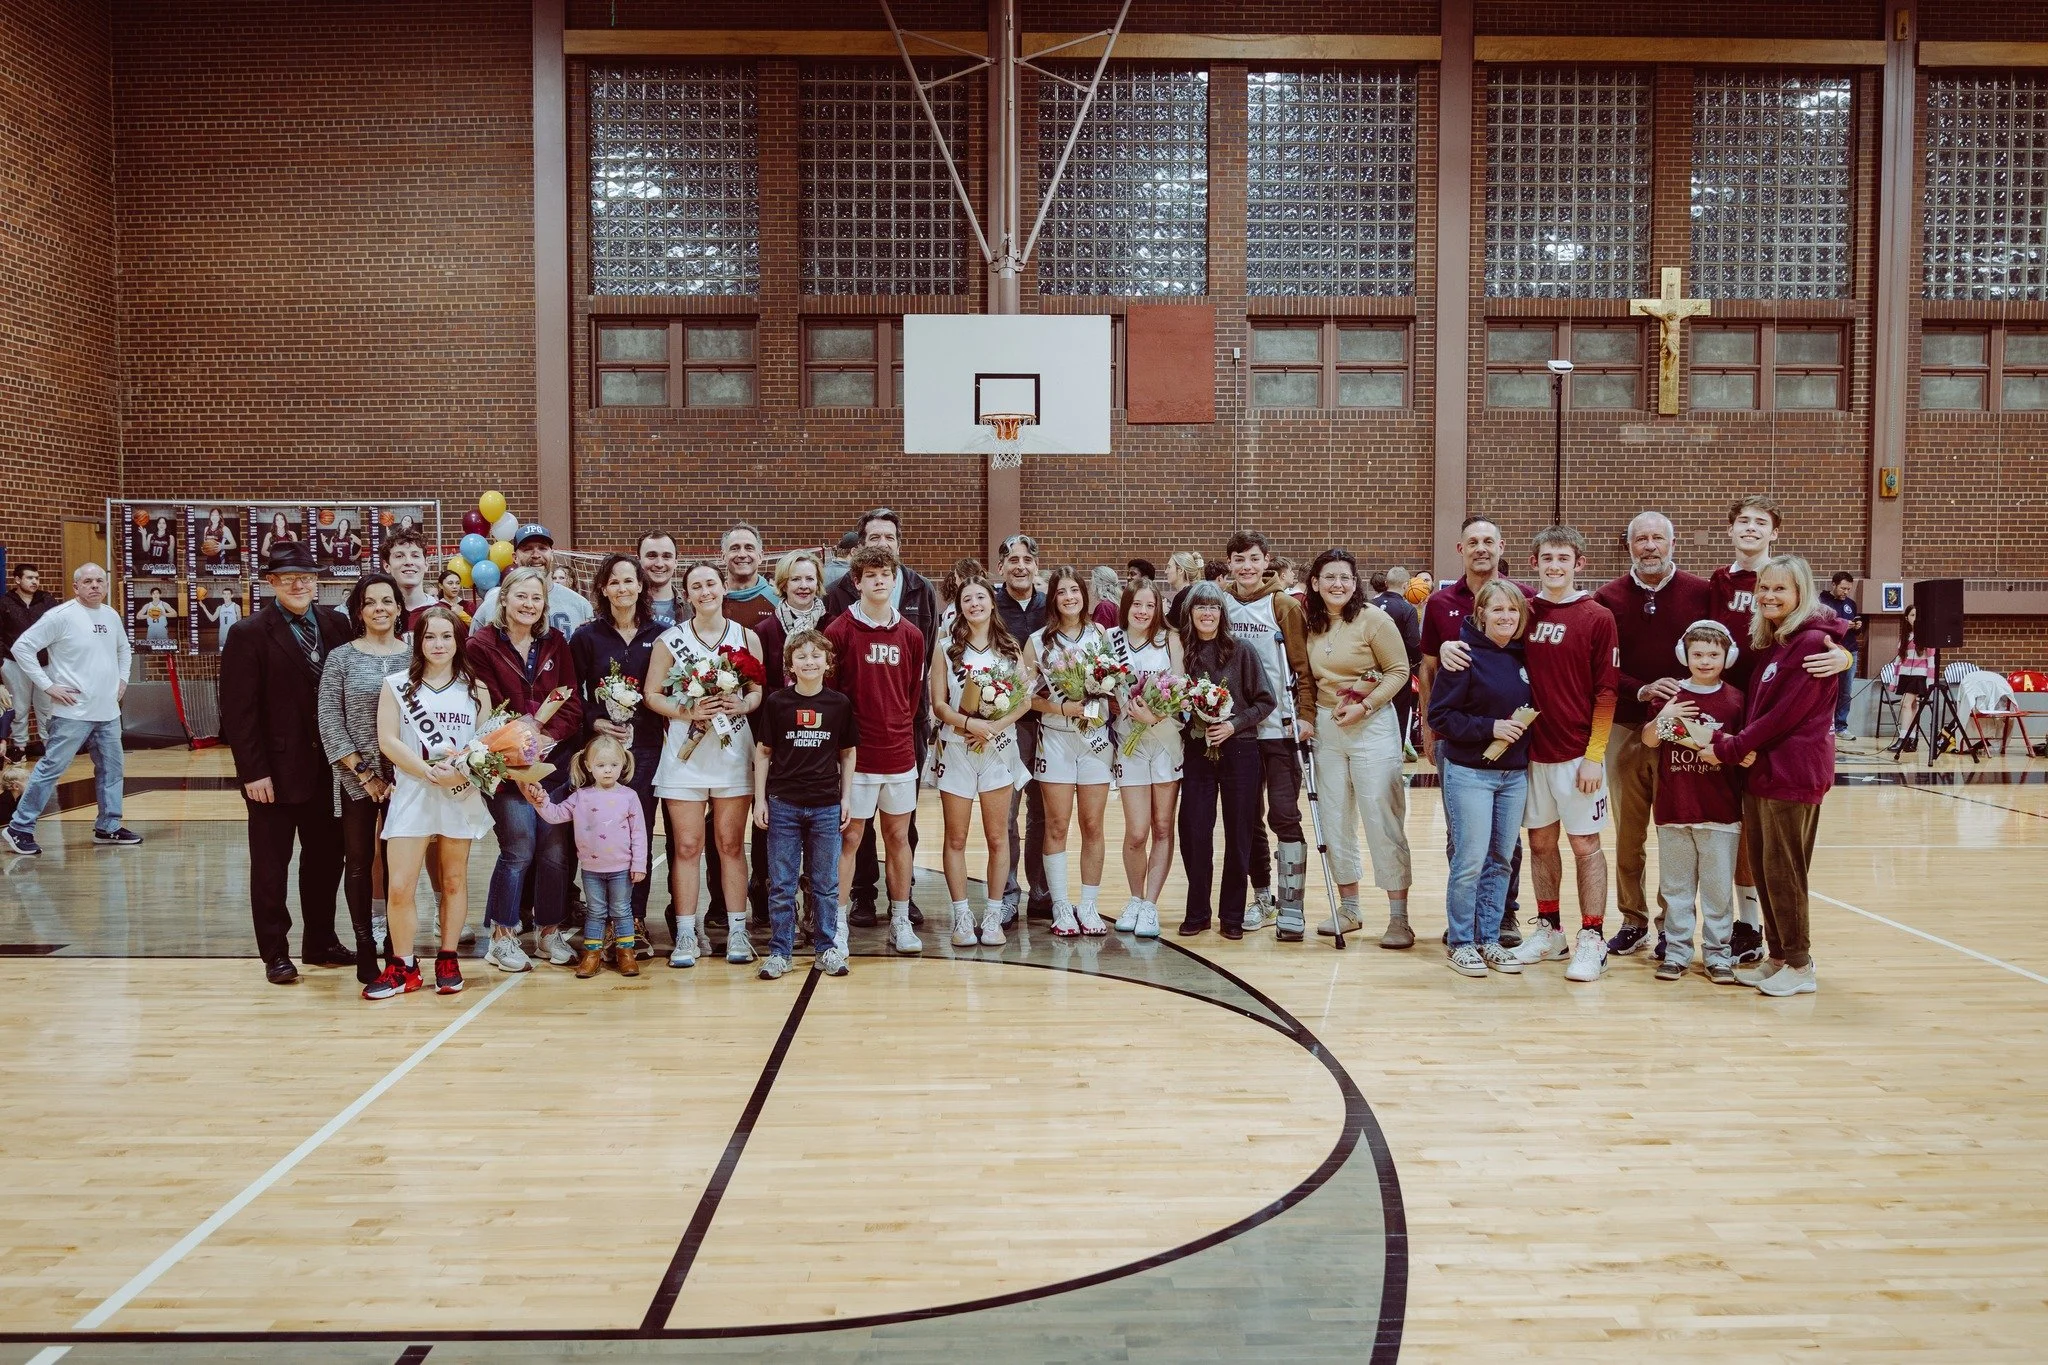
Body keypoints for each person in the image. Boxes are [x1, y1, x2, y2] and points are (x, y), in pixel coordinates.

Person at [1709, 496, 1852, 956]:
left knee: (1784, 869)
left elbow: (1786, 714)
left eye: (1780, 591)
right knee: (1770, 865)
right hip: (1760, 759)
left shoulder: (1810, 640)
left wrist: (1845, 653)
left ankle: (1796, 960)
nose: (1769, 596)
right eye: (1764, 591)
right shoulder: (1774, 639)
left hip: (1784, 764)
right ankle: (1779, 955)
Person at [218, 543, 354, 982]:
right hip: (272, 773)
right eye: (289, 577)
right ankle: (275, 951)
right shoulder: (249, 632)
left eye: (307, 576)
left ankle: (320, 940)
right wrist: (253, 771)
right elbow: (238, 712)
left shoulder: (337, 624)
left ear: (317, 582)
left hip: (328, 770)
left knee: (326, 861)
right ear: (271, 583)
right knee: (271, 867)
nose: (300, 583)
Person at [1592, 511, 1714, 960]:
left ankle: (1673, 925)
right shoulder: (1606, 598)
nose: (1649, 546)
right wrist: (1640, 688)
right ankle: (1633, 920)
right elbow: (1600, 667)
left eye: (1657, 538)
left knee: (1676, 830)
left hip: (1685, 729)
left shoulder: (1702, 593)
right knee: (1628, 832)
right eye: (1640, 539)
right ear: (1628, 546)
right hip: (1625, 726)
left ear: (1672, 542)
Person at [360, 606, 496, 1000]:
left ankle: (448, 957)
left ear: (458, 641)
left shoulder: (476, 689)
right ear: (418, 641)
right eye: (430, 637)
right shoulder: (397, 684)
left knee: (453, 880)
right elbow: (388, 740)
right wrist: (424, 770)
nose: (438, 644)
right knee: (399, 885)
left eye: (446, 636)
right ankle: (403, 966)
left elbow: (483, 745)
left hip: (458, 793)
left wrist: (460, 772)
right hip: (413, 792)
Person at [822, 509, 939, 928]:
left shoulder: (911, 633)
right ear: (856, 581)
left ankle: (901, 918)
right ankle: (836, 923)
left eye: (884, 574)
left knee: (898, 836)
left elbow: (912, 696)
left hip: (899, 754)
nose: (877, 581)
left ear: (894, 579)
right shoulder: (838, 630)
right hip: (856, 755)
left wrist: (901, 732)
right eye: (869, 575)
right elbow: (830, 696)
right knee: (850, 837)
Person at [1417, 515, 1529, 947]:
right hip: (1461, 751)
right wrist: (1429, 729)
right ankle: (1462, 932)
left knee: (1504, 849)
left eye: (1489, 541)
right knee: (1465, 845)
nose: (1482, 548)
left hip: (1513, 761)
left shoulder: (1525, 600)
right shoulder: (1442, 604)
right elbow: (1428, 669)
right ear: (1460, 549)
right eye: (1473, 542)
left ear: (1501, 546)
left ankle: (1500, 921)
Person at [648, 560, 764, 967]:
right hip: (686, 754)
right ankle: (685, 934)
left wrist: (742, 703)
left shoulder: (747, 637)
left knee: (730, 845)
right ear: (687, 594)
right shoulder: (670, 640)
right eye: (696, 586)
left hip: (732, 751)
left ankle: (737, 932)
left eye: (711, 584)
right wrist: (688, 709)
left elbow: (757, 693)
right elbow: (652, 695)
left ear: (723, 587)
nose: (705, 592)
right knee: (686, 845)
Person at [468, 565, 583, 972]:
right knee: (518, 849)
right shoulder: (481, 645)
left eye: (536, 598)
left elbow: (571, 704)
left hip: (552, 762)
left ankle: (550, 932)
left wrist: (548, 738)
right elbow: (484, 706)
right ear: (504, 599)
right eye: (521, 596)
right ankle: (502, 935)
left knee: (554, 852)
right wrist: (520, 736)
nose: (528, 604)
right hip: (504, 765)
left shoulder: (556, 643)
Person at [1300, 549, 1413, 948]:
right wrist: (1309, 717)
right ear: (1314, 583)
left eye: (1345, 578)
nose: (1338, 585)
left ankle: (1399, 918)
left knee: (1382, 816)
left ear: (1355, 582)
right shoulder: (1307, 622)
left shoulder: (1374, 619)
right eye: (1329, 577)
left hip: (1373, 724)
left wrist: (1366, 704)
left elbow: (1400, 671)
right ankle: (1349, 908)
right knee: (1334, 819)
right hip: (1328, 728)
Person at [1427, 579, 1535, 976]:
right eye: (1498, 610)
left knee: (1501, 860)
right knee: (1470, 860)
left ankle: (1489, 938)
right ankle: (1461, 942)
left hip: (1514, 775)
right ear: (1481, 615)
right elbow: (1440, 717)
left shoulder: (1526, 657)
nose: (1506, 617)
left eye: (1513, 610)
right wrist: (1491, 727)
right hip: (1470, 773)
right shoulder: (1463, 657)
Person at [3, 562, 138, 857]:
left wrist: (123, 680)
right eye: (87, 581)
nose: (94, 586)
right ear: (75, 587)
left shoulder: (111, 615)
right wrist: (47, 685)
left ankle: (108, 826)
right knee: (51, 770)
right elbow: (22, 647)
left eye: (99, 581)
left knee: (112, 770)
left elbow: (123, 649)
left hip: (107, 712)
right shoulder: (60, 616)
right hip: (72, 713)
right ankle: (19, 828)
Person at [1222, 530, 1317, 941]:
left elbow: (1301, 667)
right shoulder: (1219, 603)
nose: (1246, 566)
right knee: (1247, 818)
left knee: (1283, 813)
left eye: (1254, 559)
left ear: (1266, 562)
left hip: (1279, 728)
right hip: (1237, 731)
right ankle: (1262, 897)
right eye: (1239, 559)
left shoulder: (1283, 605)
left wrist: (1307, 716)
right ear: (1229, 563)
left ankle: (1291, 905)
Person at [569, 552, 666, 951]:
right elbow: (573, 694)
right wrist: (595, 721)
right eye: (614, 582)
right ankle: (603, 919)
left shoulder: (661, 634)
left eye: (629, 581)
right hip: (604, 756)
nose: (622, 588)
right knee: (602, 835)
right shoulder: (586, 637)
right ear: (603, 589)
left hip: (646, 750)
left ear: (641, 586)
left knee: (636, 833)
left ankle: (634, 920)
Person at [317, 573, 411, 983]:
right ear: (359, 610)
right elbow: (329, 721)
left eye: (387, 601)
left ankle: (397, 942)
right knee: (358, 862)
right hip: (356, 777)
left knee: (398, 864)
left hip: (407, 778)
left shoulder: (415, 656)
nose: (380, 608)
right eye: (371, 602)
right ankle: (365, 947)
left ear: (398, 607)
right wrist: (363, 772)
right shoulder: (341, 658)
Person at [1642, 621, 1747, 985]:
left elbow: (1742, 749)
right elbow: (1650, 741)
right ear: (1684, 655)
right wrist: (1664, 717)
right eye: (1697, 654)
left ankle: (1719, 955)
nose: (1704, 661)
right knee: (1676, 888)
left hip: (1721, 811)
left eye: (1713, 655)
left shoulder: (1736, 699)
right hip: (1674, 810)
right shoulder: (1670, 696)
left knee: (1718, 890)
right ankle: (1676, 952)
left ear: (1727, 657)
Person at [929, 575, 1032, 948]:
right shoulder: (945, 647)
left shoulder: (1009, 647)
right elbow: (938, 704)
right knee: (955, 837)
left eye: (980, 598)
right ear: (959, 607)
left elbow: (1023, 701)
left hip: (997, 750)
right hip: (956, 749)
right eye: (966, 599)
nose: (974, 604)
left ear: (992, 604)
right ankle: (961, 915)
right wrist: (969, 723)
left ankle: (992, 916)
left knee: (997, 836)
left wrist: (992, 727)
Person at [753, 628, 857, 979]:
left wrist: (846, 798)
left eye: (816, 655)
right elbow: (764, 753)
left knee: (825, 883)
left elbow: (848, 753)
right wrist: (760, 800)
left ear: (828, 662)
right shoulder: (777, 702)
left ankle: (827, 948)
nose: (809, 661)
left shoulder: (838, 703)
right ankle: (780, 951)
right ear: (790, 664)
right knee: (782, 884)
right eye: (801, 656)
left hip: (826, 805)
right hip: (784, 804)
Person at [1176, 581, 1275, 938]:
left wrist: (1232, 725)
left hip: (1240, 751)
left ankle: (1232, 915)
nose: (1207, 613)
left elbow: (1266, 701)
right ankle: (1198, 911)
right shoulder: (1182, 653)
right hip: (1197, 752)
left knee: (1239, 834)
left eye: (1214, 607)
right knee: (1194, 831)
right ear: (1190, 613)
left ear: (1222, 612)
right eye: (1200, 607)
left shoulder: (1242, 650)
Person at [1023, 565, 1117, 937]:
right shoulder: (1037, 640)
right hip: (1057, 738)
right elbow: (1025, 697)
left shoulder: (1101, 635)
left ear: (1084, 595)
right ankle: (1061, 907)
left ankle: (1089, 906)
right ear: (1054, 599)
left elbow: (1116, 683)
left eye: (1074, 591)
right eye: (1062, 592)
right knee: (1057, 824)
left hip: (1094, 739)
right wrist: (1062, 708)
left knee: (1092, 825)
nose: (1069, 598)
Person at [525, 734, 647, 979]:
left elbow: (639, 834)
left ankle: (626, 953)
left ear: (622, 765)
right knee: (596, 911)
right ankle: (592, 953)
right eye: (601, 765)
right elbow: (555, 814)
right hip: (592, 869)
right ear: (588, 766)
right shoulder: (581, 796)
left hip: (622, 868)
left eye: (613, 765)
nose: (608, 770)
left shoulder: (629, 797)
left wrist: (639, 864)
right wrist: (540, 801)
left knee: (622, 910)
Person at [1108, 576, 1183, 940]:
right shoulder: (1111, 639)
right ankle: (1135, 898)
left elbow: (1181, 690)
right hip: (1130, 744)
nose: (1142, 611)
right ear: (1126, 605)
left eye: (1149, 605)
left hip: (1166, 741)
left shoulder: (1170, 639)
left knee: (1163, 827)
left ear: (1159, 609)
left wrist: (1155, 715)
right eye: (1136, 604)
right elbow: (1101, 687)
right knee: (1137, 832)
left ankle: (1150, 905)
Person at [994, 533, 1050, 926]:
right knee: (1008, 812)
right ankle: (1010, 892)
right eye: (1013, 559)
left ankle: (1043, 891)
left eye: (1027, 560)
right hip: (1009, 724)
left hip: (1051, 720)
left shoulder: (1053, 605)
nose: (1020, 566)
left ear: (1036, 566)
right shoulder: (989, 605)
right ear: (1001, 568)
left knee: (1045, 813)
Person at [476, 525, 593, 638]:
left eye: (542, 548)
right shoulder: (491, 606)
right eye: (527, 549)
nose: (536, 555)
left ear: (552, 555)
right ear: (514, 557)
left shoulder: (580, 605)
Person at [1, 563, 56, 751]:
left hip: (43, 662)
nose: (34, 581)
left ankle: (50, 747)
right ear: (17, 580)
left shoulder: (46, 600)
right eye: (29, 578)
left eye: (37, 578)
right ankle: (20, 748)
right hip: (14, 662)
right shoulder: (5, 602)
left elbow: (58, 628)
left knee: (47, 708)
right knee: (19, 708)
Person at [1369, 568, 1423, 758]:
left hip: (1371, 671)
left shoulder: (1369, 605)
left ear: (1386, 584)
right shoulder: (1407, 609)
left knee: (1371, 710)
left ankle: (1372, 753)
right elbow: (1413, 642)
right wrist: (1416, 662)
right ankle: (1393, 756)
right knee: (1399, 714)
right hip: (1398, 671)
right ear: (1405, 586)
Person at [1818, 571, 1862, 738]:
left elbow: (1857, 630)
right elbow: (1820, 625)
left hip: (1850, 650)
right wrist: (1842, 625)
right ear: (1833, 585)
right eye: (1843, 588)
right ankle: (1824, 724)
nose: (1845, 592)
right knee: (1825, 689)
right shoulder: (1822, 602)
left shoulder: (1850, 604)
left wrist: (1857, 627)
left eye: (1848, 589)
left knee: (1845, 690)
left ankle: (1841, 726)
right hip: (1829, 650)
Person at [1891, 604, 1938, 751]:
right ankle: (1912, 739)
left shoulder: (1926, 636)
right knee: (1911, 705)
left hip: (1919, 676)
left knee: (1905, 704)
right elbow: (1899, 660)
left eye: (1917, 615)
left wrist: (1930, 682)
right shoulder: (1905, 636)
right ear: (1906, 618)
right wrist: (1895, 680)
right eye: (1912, 615)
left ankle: (1903, 738)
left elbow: (1931, 660)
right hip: (1905, 675)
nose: (1915, 618)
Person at [721, 522, 781, 633]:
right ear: (723, 556)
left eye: (749, 548)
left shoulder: (778, 600)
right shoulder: (712, 599)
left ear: (760, 556)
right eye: (734, 548)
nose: (742, 554)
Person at [381, 530, 440, 625]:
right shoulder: (377, 616)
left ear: (426, 564)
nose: (408, 562)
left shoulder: (445, 615)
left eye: (415, 556)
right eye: (399, 556)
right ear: (387, 566)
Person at [638, 531, 681, 624]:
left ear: (676, 562)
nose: (659, 564)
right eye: (652, 556)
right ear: (639, 561)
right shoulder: (621, 605)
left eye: (667, 556)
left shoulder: (693, 608)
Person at [1165, 550, 1202, 633]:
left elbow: (1171, 628)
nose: (1166, 571)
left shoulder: (1182, 597)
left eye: (1169, 567)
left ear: (1180, 570)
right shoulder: (1191, 592)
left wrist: (1164, 613)